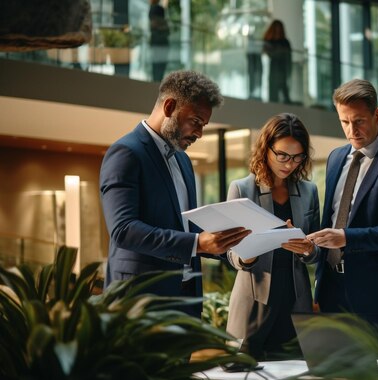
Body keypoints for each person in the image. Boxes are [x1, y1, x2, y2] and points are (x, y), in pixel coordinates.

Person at [100, 70, 251, 317]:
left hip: (185, 301)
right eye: (196, 121)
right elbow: (123, 230)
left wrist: (229, 243)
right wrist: (196, 243)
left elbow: (186, 227)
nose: (200, 133)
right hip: (139, 302)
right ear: (169, 106)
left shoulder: (183, 161)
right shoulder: (126, 153)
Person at [307, 79, 378, 356]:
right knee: (335, 378)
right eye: (344, 122)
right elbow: (330, 218)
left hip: (376, 294)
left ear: (377, 115)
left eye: (358, 121)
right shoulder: (335, 158)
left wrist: (345, 238)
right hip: (331, 289)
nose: (351, 130)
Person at [225, 113, 319, 361]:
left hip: (295, 302)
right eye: (283, 155)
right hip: (252, 303)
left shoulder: (310, 191)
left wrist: (308, 249)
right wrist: (248, 254)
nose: (290, 164)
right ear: (266, 149)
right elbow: (230, 253)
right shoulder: (242, 189)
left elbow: (318, 249)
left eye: (298, 157)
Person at [263, 20, 292, 104]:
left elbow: (288, 57)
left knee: (284, 89)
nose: (278, 31)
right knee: (273, 91)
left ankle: (286, 104)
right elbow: (266, 52)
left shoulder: (285, 42)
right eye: (276, 29)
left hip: (282, 69)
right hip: (273, 68)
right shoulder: (269, 42)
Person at [149, 0, 170, 81]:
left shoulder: (156, 9)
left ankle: (157, 84)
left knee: (158, 68)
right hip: (159, 43)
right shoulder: (155, 9)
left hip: (159, 43)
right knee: (158, 68)